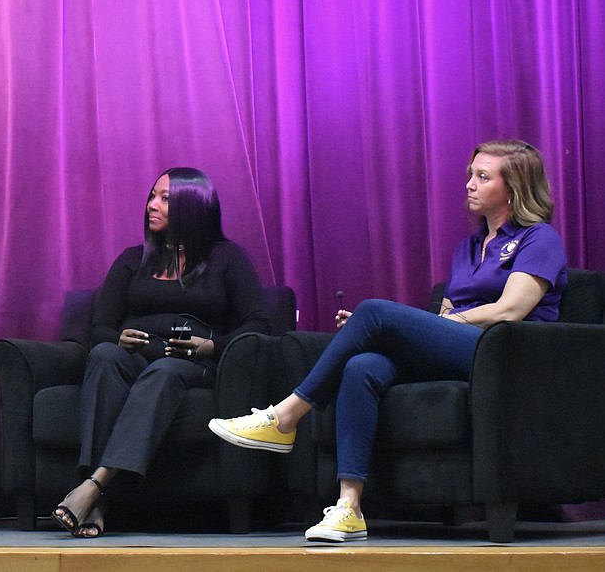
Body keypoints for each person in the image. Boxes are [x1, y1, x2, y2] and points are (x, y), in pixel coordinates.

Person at [209, 140, 567, 542]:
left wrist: (430, 322)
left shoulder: (540, 239)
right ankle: (349, 507)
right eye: (470, 174)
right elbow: (448, 310)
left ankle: (286, 417)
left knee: (377, 312)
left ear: (514, 188)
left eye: (482, 177)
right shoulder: (468, 248)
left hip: (505, 355)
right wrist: (411, 327)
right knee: (362, 365)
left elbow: (509, 310)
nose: (469, 184)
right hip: (461, 350)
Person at [52, 167, 270, 538]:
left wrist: (212, 345)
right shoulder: (133, 259)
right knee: (104, 356)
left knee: (164, 371)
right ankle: (97, 503)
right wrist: (119, 338)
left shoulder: (228, 259)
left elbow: (261, 324)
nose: (152, 205)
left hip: (194, 363)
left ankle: (95, 486)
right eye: (152, 196)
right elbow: (100, 326)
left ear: (193, 206)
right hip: (136, 357)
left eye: (165, 199)